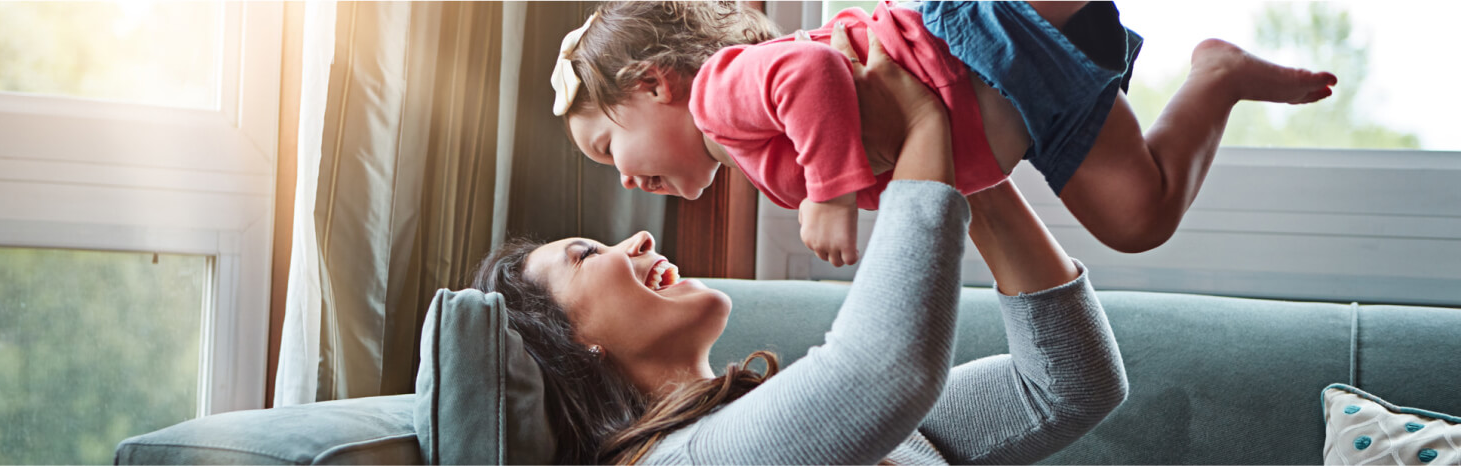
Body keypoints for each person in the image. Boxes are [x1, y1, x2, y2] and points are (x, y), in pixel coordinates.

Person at [473, 30, 1127, 464]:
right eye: (585, 255)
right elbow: (884, 373)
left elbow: (1063, 390)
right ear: (572, 341)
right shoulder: (683, 461)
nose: (638, 236)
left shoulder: (775, 422)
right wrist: (926, 127)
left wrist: (961, 159)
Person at [550, 1, 1338, 264]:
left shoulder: (720, 95)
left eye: (606, 149)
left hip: (978, 38)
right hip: (1029, 111)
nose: (622, 180)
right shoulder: (757, 161)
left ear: (653, 85)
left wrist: (826, 195)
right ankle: (1217, 78)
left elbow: (810, 78)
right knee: (1139, 219)